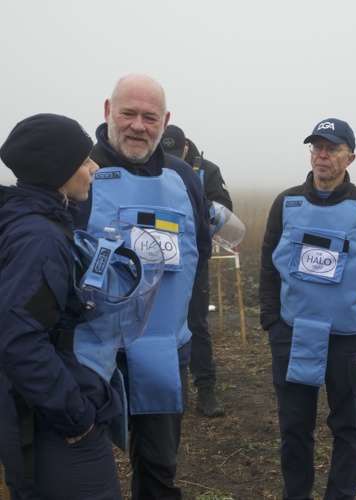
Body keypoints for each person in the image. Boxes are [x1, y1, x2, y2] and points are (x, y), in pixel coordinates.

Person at [74, 75, 212, 499]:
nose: (138, 126)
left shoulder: (185, 178)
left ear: (165, 120)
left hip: (163, 350)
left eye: (150, 117)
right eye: (128, 113)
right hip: (90, 353)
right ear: (107, 111)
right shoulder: (79, 173)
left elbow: (198, 254)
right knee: (81, 469)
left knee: (158, 469)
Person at [259, 118, 356, 499]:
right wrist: (272, 321)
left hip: (346, 339)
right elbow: (268, 264)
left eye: (332, 148)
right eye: (317, 147)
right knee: (295, 427)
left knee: (346, 427)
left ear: (350, 157)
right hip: (293, 333)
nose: (323, 155)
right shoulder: (287, 202)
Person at [0, 114, 121, 498]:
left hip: (29, 416)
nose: (94, 167)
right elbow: (18, 337)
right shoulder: (40, 238)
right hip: (51, 429)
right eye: (84, 161)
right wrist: (76, 417)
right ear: (58, 171)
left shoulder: (23, 219)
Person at [161, 124, 232, 418]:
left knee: (197, 324)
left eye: (176, 154)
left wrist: (202, 208)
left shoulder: (208, 171)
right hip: (157, 257)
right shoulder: (150, 163)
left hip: (193, 260)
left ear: (186, 147)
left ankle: (206, 390)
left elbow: (225, 207)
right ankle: (164, 388)